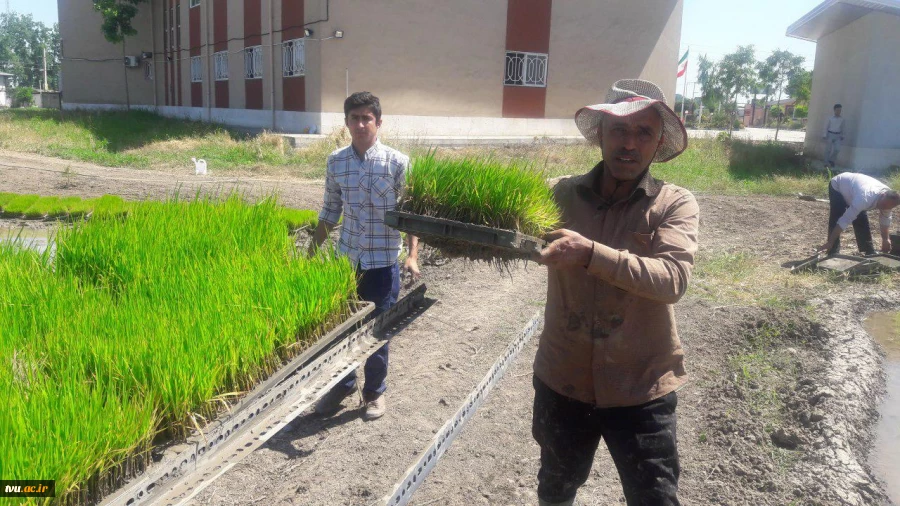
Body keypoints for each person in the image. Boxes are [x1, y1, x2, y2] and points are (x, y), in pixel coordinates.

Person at [532, 79, 699, 506]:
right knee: (556, 487)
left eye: (643, 132)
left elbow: (673, 279)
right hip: (563, 377)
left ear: (658, 140)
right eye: (620, 130)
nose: (630, 143)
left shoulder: (673, 203)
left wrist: (589, 252)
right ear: (601, 134)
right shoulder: (558, 193)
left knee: (655, 498)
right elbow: (498, 221)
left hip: (640, 385)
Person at [309, 91, 420, 421]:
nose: (360, 124)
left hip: (383, 262)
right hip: (347, 262)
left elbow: (412, 216)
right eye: (354, 118)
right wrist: (309, 255)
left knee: (378, 331)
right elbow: (330, 212)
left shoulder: (398, 163)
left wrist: (412, 255)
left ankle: (374, 393)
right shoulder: (336, 162)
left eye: (366, 118)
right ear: (346, 123)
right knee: (342, 330)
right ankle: (342, 386)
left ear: (378, 122)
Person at [819, 172, 900, 256]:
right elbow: (845, 220)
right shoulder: (865, 198)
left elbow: (885, 220)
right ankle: (832, 250)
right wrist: (830, 242)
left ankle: (868, 250)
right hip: (838, 185)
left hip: (856, 188)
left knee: (861, 218)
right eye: (884, 205)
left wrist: (885, 239)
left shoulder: (889, 200)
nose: (885, 208)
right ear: (882, 195)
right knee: (837, 216)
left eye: (888, 207)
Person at [822, 104, 846, 168]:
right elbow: (826, 127)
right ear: (834, 110)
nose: (839, 111)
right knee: (828, 150)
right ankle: (826, 163)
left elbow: (843, 127)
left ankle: (831, 160)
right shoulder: (830, 118)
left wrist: (843, 135)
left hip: (838, 135)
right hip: (830, 134)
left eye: (840, 110)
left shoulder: (842, 119)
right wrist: (824, 134)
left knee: (837, 149)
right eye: (837, 110)